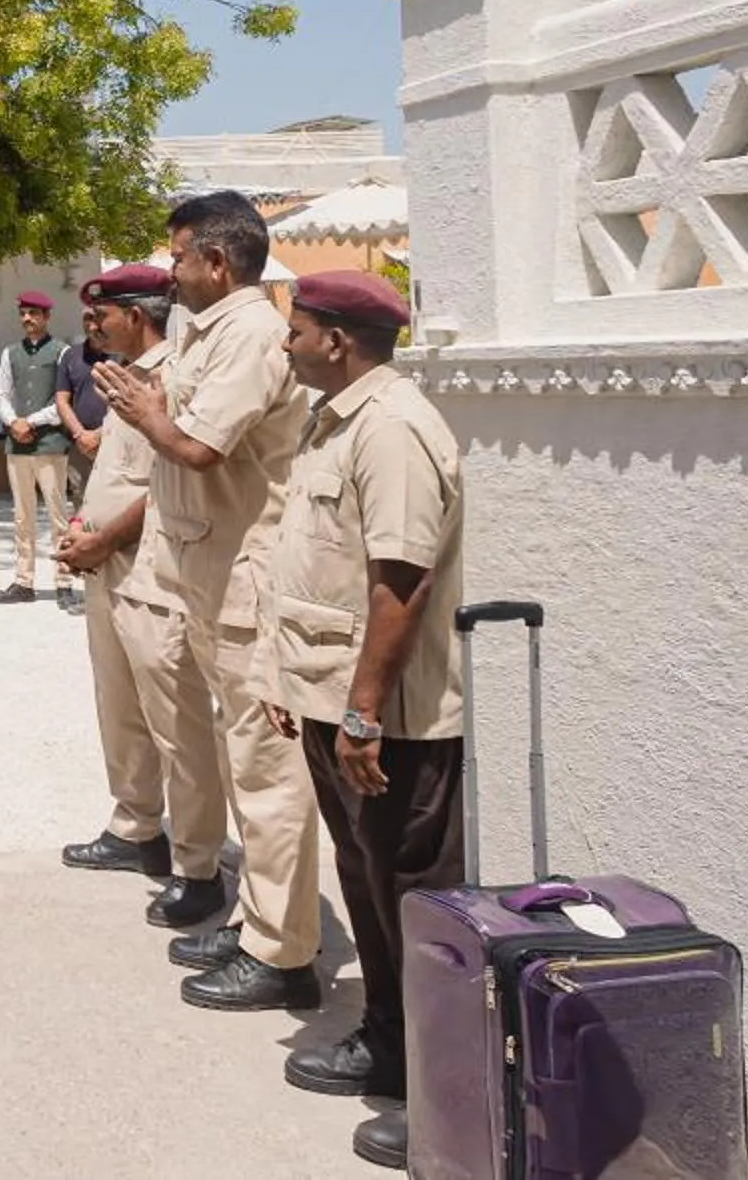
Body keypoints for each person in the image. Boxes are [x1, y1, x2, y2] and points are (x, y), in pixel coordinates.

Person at [93, 191, 324, 1014]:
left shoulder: (255, 335)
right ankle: (257, 919)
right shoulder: (215, 330)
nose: (171, 272)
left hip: (245, 581)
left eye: (179, 257)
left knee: (266, 773)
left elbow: (196, 446)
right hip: (205, 574)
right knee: (234, 759)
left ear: (216, 262)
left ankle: (282, 951)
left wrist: (149, 412)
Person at [263, 270, 464, 1172]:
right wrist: (297, 684)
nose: (285, 344)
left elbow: (401, 579)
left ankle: (446, 1097)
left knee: (412, 899)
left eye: (295, 330)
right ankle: (388, 1044)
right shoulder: (335, 416)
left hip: (391, 721)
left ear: (337, 339)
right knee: (367, 883)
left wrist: (362, 710)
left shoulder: (392, 428)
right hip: (334, 700)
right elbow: (317, 566)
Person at [53, 265, 228, 931]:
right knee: (119, 708)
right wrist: (82, 530)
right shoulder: (122, 377)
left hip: (154, 573)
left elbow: (169, 481)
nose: (91, 325)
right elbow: (115, 469)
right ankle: (136, 827)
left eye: (103, 314)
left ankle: (198, 867)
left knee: (176, 725)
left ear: (140, 312)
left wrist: (104, 539)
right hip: (105, 568)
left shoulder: (174, 378)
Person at [0, 292, 77, 605]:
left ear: (46, 317)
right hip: (17, 445)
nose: (27, 319)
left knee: (58, 515)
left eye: (33, 313)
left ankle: (64, 580)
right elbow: (2, 393)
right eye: (24, 313)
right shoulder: (10, 352)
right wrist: (14, 422)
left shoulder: (62, 352)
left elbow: (62, 401)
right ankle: (23, 581)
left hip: (50, 443)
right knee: (22, 516)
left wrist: (29, 421)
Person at [55, 307, 117, 507]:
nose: (92, 324)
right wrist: (81, 435)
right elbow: (62, 400)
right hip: (80, 446)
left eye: (97, 317)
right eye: (86, 318)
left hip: (116, 442)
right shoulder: (71, 356)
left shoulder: (122, 354)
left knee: (115, 501)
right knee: (82, 502)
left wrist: (99, 435)